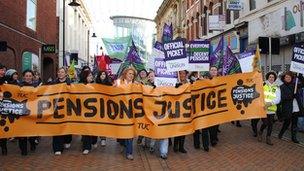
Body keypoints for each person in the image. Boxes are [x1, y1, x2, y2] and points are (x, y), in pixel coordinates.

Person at [114, 67, 138, 160]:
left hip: (131, 112)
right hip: (120, 111)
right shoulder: (118, 82)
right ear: (125, 74)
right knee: (123, 131)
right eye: (129, 74)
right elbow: (111, 93)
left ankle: (129, 152)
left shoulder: (135, 84)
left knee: (130, 133)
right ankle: (123, 144)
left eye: (133, 74)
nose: (131, 76)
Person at [278, 71, 304, 143]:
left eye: (289, 77)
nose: (288, 78)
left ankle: (294, 137)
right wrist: (292, 96)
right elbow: (283, 97)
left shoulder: (294, 84)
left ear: (292, 78)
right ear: (284, 78)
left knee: (294, 123)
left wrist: (300, 76)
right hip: (288, 108)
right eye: (286, 77)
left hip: (296, 107)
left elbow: (303, 84)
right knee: (287, 123)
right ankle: (281, 133)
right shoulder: (282, 87)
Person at [52, 67, 72, 155]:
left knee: (66, 126)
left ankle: (67, 139)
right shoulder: (53, 83)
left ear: (65, 74)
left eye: (62, 72)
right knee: (56, 127)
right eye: (59, 72)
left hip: (67, 108)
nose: (60, 73)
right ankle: (57, 148)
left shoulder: (69, 83)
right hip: (56, 108)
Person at [18, 69, 38, 156]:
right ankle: (23, 150)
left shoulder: (36, 86)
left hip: (32, 112)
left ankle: (32, 143)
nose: (28, 77)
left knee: (31, 132)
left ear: (32, 77)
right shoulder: (18, 87)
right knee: (22, 132)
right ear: (23, 77)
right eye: (26, 76)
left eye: (30, 76)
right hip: (21, 112)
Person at [257, 71, 281, 145]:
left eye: (273, 77)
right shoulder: (263, 85)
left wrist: (270, 103)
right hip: (263, 108)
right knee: (265, 123)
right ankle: (260, 132)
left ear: (275, 78)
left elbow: (278, 99)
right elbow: (259, 95)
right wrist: (263, 104)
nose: (271, 78)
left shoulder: (277, 87)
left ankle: (268, 138)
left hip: (272, 109)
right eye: (270, 77)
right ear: (267, 77)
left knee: (270, 124)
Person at [79, 69, 98, 155]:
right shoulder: (79, 86)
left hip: (94, 111)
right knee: (85, 129)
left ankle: (94, 141)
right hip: (83, 111)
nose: (91, 77)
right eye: (89, 76)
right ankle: (86, 147)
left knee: (93, 128)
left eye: (91, 76)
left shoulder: (96, 85)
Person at [95, 70, 112, 147]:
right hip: (96, 106)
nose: (102, 75)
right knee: (97, 123)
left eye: (104, 74)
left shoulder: (109, 84)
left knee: (103, 123)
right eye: (101, 74)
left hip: (105, 106)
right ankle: (95, 137)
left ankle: (103, 139)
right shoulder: (95, 84)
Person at [173, 70, 188, 153]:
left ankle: (181, 146)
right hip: (176, 108)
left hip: (186, 108)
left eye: (183, 73)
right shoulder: (174, 82)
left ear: (186, 75)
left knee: (184, 128)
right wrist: (176, 87)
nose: (182, 75)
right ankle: (175, 145)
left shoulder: (189, 83)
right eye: (180, 73)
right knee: (177, 127)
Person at [208, 66, 220, 146]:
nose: (213, 71)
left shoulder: (220, 80)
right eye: (212, 70)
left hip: (218, 105)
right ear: (209, 72)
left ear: (217, 72)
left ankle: (214, 136)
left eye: (215, 70)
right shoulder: (205, 80)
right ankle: (213, 139)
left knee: (217, 122)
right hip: (209, 105)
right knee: (211, 123)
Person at [0, 63, 8, 155]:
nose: (3, 72)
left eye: (4, 70)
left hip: (4, 107)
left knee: (2, 126)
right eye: (1, 70)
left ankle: (4, 147)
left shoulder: (6, 81)